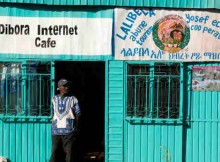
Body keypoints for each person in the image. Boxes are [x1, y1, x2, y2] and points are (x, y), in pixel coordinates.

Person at [50, 78, 81, 162]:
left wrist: (75, 128)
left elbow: (78, 114)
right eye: (64, 86)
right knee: (54, 154)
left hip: (69, 132)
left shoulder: (73, 99)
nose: (66, 88)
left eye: (67, 86)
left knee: (69, 155)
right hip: (55, 131)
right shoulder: (54, 99)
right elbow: (52, 113)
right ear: (59, 87)